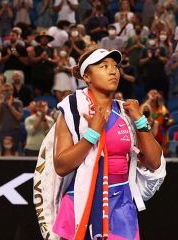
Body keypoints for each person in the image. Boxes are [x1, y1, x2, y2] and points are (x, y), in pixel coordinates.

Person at [52, 48, 164, 239]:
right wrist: (93, 133)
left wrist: (139, 120)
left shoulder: (125, 112)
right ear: (87, 76)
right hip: (82, 201)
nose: (113, 71)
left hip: (121, 203)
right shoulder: (73, 109)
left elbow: (154, 162)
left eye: (115, 67)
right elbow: (61, 166)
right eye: (104, 66)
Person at [0, 83, 23, 156]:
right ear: (2, 92)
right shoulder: (0, 103)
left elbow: (19, 117)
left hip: (15, 131)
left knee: (16, 153)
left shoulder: (18, 102)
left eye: (9, 90)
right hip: (3, 131)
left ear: (12, 91)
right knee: (2, 153)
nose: (7, 92)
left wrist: (10, 106)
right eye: (5, 90)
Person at [139, 33, 169, 97]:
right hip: (148, 76)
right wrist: (148, 58)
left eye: (154, 38)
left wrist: (158, 56)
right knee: (149, 95)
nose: (152, 40)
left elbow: (166, 61)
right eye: (150, 38)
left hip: (160, 76)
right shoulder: (145, 49)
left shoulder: (162, 48)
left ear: (156, 39)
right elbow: (140, 63)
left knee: (160, 95)